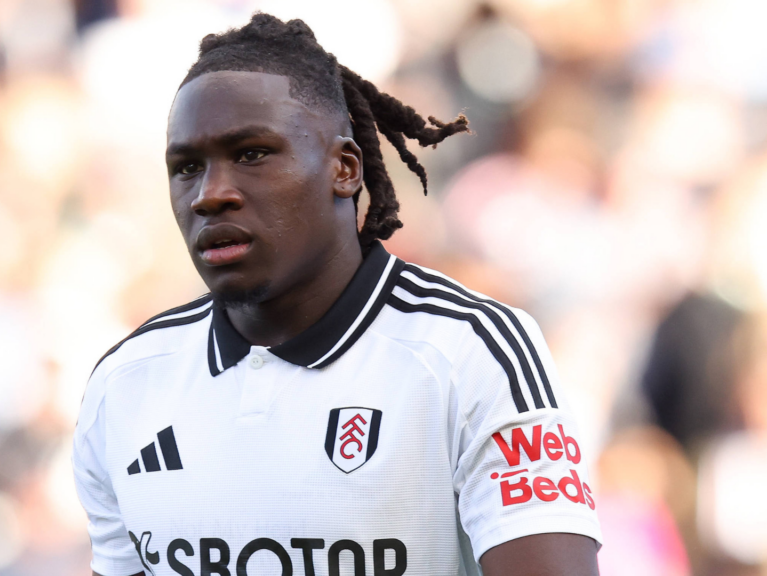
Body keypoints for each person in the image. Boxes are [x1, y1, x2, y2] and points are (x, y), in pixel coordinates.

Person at [73, 13, 601, 576]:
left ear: (345, 169)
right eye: (186, 168)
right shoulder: (125, 385)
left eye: (251, 153)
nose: (211, 194)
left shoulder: (471, 351)